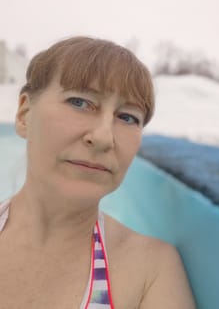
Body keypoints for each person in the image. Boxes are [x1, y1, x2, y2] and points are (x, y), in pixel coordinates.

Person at [0, 37, 196, 308]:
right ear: (24, 114)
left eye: (127, 117)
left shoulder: (150, 270)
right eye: (80, 102)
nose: (104, 137)